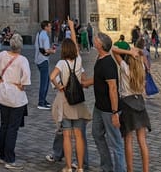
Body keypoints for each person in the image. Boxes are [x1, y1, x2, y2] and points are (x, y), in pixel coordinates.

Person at [83, 31, 127, 172]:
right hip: (99, 107)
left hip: (109, 109)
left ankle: (119, 169)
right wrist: (86, 83)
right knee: (97, 134)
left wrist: (115, 113)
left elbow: (113, 88)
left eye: (96, 39)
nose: (94, 40)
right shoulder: (99, 58)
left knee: (115, 143)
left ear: (100, 44)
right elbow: (98, 79)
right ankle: (106, 167)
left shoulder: (108, 63)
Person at [49, 30, 91, 172]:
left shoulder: (61, 63)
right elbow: (75, 43)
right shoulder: (79, 61)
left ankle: (68, 166)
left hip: (66, 101)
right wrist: (72, 28)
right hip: (78, 101)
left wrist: (59, 86)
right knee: (78, 135)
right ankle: (80, 167)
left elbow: (52, 76)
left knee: (67, 135)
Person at [0, 33, 31, 170]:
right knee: (12, 128)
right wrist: (23, 85)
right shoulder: (22, 60)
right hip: (16, 96)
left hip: (4, 92)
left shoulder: (2, 55)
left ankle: (2, 155)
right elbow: (26, 77)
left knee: (4, 125)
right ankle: (9, 159)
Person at [111, 44, 151, 172]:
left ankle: (130, 170)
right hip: (140, 102)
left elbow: (113, 50)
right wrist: (136, 52)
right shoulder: (142, 69)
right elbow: (143, 54)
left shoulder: (125, 68)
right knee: (142, 140)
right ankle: (146, 170)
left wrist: (128, 51)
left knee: (128, 140)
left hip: (127, 103)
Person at [35, 20, 56, 110]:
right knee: (44, 82)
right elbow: (46, 50)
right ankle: (41, 102)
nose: (51, 28)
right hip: (43, 60)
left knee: (46, 80)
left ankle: (43, 100)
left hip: (38, 59)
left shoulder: (39, 34)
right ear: (46, 27)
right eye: (50, 26)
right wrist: (53, 51)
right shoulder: (45, 37)